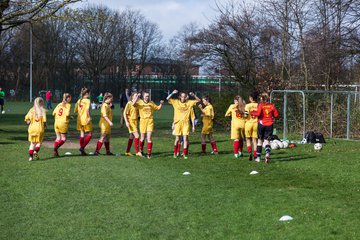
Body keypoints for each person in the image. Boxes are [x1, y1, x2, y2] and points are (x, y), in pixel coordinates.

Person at [167, 90, 200, 159]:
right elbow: (167, 98)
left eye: (184, 97)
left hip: (186, 123)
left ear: (186, 97)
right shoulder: (176, 102)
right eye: (182, 96)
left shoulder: (189, 103)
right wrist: (173, 93)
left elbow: (198, 100)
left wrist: (193, 95)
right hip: (178, 123)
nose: (183, 98)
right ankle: (175, 153)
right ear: (180, 97)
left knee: (185, 139)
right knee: (177, 139)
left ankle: (184, 154)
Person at [132, 91, 164, 159]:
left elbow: (157, 108)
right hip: (143, 121)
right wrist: (137, 96)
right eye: (146, 96)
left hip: (150, 121)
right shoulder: (140, 102)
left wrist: (161, 104)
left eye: (148, 96)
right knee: (142, 138)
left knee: (149, 138)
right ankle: (141, 151)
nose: (147, 97)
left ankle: (149, 154)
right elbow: (133, 104)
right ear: (143, 96)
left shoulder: (151, 103)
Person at [252, 93, 279, 163]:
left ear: (262, 99)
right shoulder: (272, 106)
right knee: (267, 141)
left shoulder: (260, 105)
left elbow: (257, 114)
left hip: (261, 124)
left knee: (260, 141)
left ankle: (258, 158)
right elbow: (276, 115)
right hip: (270, 125)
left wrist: (252, 112)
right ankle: (267, 154)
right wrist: (271, 115)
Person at [74, 87, 92, 155]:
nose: (90, 95)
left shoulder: (79, 100)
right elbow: (87, 110)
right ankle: (82, 147)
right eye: (89, 93)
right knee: (90, 134)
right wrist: (89, 117)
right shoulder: (88, 101)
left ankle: (82, 151)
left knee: (82, 134)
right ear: (87, 94)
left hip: (79, 119)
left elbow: (75, 110)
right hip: (85, 119)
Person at [244, 92, 259, 161]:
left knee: (248, 139)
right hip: (256, 123)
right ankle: (255, 154)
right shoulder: (258, 105)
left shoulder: (247, 106)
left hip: (248, 124)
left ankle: (250, 152)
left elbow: (246, 115)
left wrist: (243, 116)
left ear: (251, 98)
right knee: (255, 140)